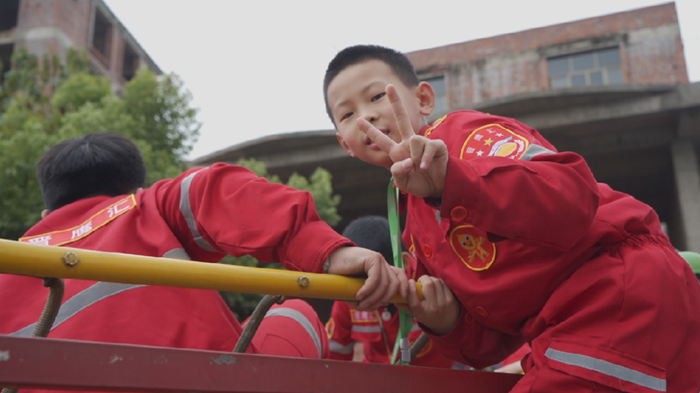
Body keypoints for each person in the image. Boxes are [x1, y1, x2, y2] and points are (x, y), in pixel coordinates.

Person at [323, 45, 700, 392]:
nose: (366, 115)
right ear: (344, 144)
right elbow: (494, 340)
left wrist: (452, 181)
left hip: (613, 290)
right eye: (347, 114)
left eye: (375, 97)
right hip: (566, 327)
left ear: (423, 98)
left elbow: (571, 194)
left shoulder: (464, 136)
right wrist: (445, 321)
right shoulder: (413, 228)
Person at [0, 132, 407, 365]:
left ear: (45, 212)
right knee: (296, 310)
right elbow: (219, 192)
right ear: (134, 189)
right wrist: (328, 252)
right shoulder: (145, 208)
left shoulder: (12, 261)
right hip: (203, 380)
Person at [326, 216, 454, 368]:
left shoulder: (433, 284)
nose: (363, 288)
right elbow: (334, 355)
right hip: (376, 382)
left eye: (371, 275)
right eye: (355, 278)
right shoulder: (348, 294)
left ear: (404, 262)